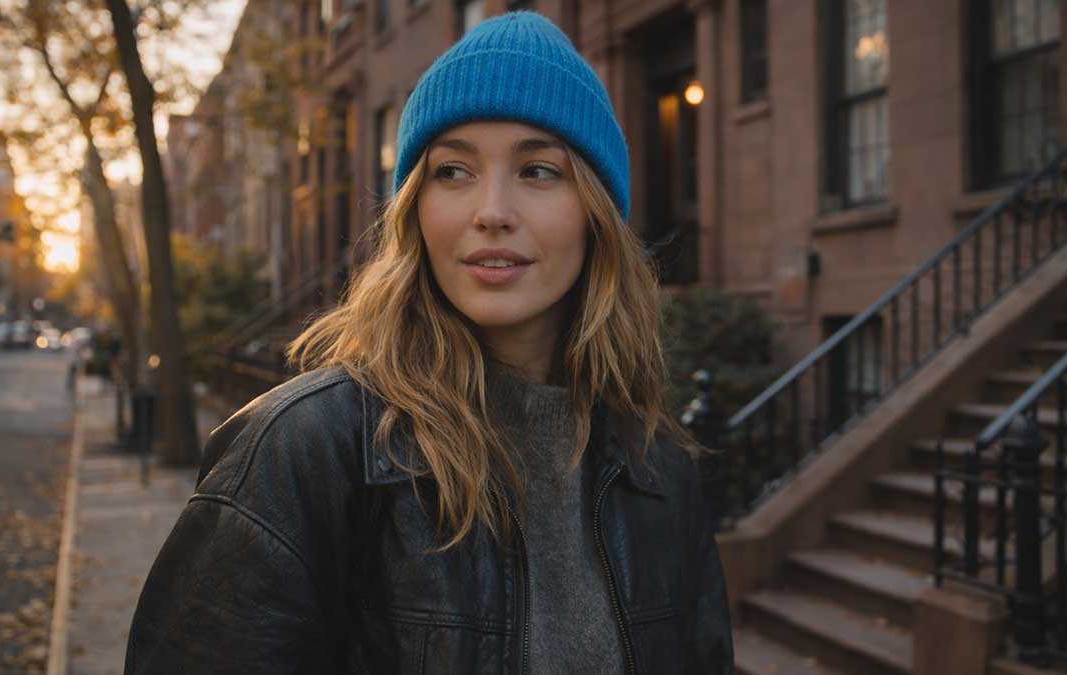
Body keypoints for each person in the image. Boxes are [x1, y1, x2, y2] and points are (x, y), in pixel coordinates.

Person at [125, 11, 732, 674]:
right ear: (415, 209)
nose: (492, 211)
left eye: (538, 170)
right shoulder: (300, 453)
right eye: (452, 171)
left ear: (597, 214)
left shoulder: (658, 470)